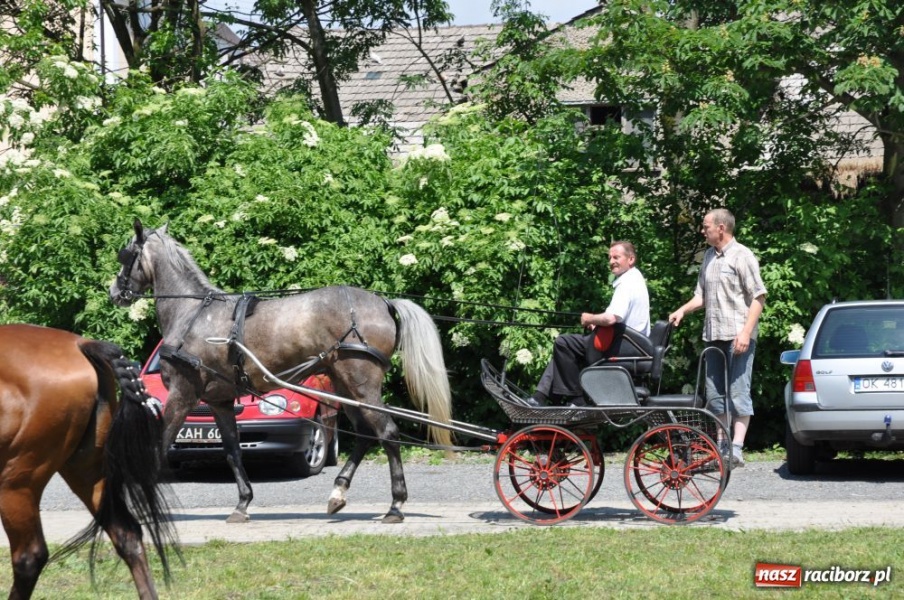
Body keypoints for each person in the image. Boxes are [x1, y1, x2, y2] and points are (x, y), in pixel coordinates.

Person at [668, 208, 766, 468]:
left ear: (721, 228)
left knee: (738, 392)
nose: (703, 230)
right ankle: (722, 447)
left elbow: (758, 297)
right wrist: (682, 310)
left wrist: (746, 332)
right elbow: (701, 296)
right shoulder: (709, 256)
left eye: (706, 226)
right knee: (715, 396)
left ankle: (736, 448)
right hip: (713, 337)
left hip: (738, 337)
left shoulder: (742, 256)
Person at [530, 241, 650, 406]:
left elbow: (611, 318)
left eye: (616, 257)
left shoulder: (627, 284)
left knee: (563, 343)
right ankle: (540, 397)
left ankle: (575, 399)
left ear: (631, 259)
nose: (611, 261)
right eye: (610, 257)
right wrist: (598, 325)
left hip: (620, 346)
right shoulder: (636, 279)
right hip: (627, 343)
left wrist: (589, 319)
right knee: (566, 348)